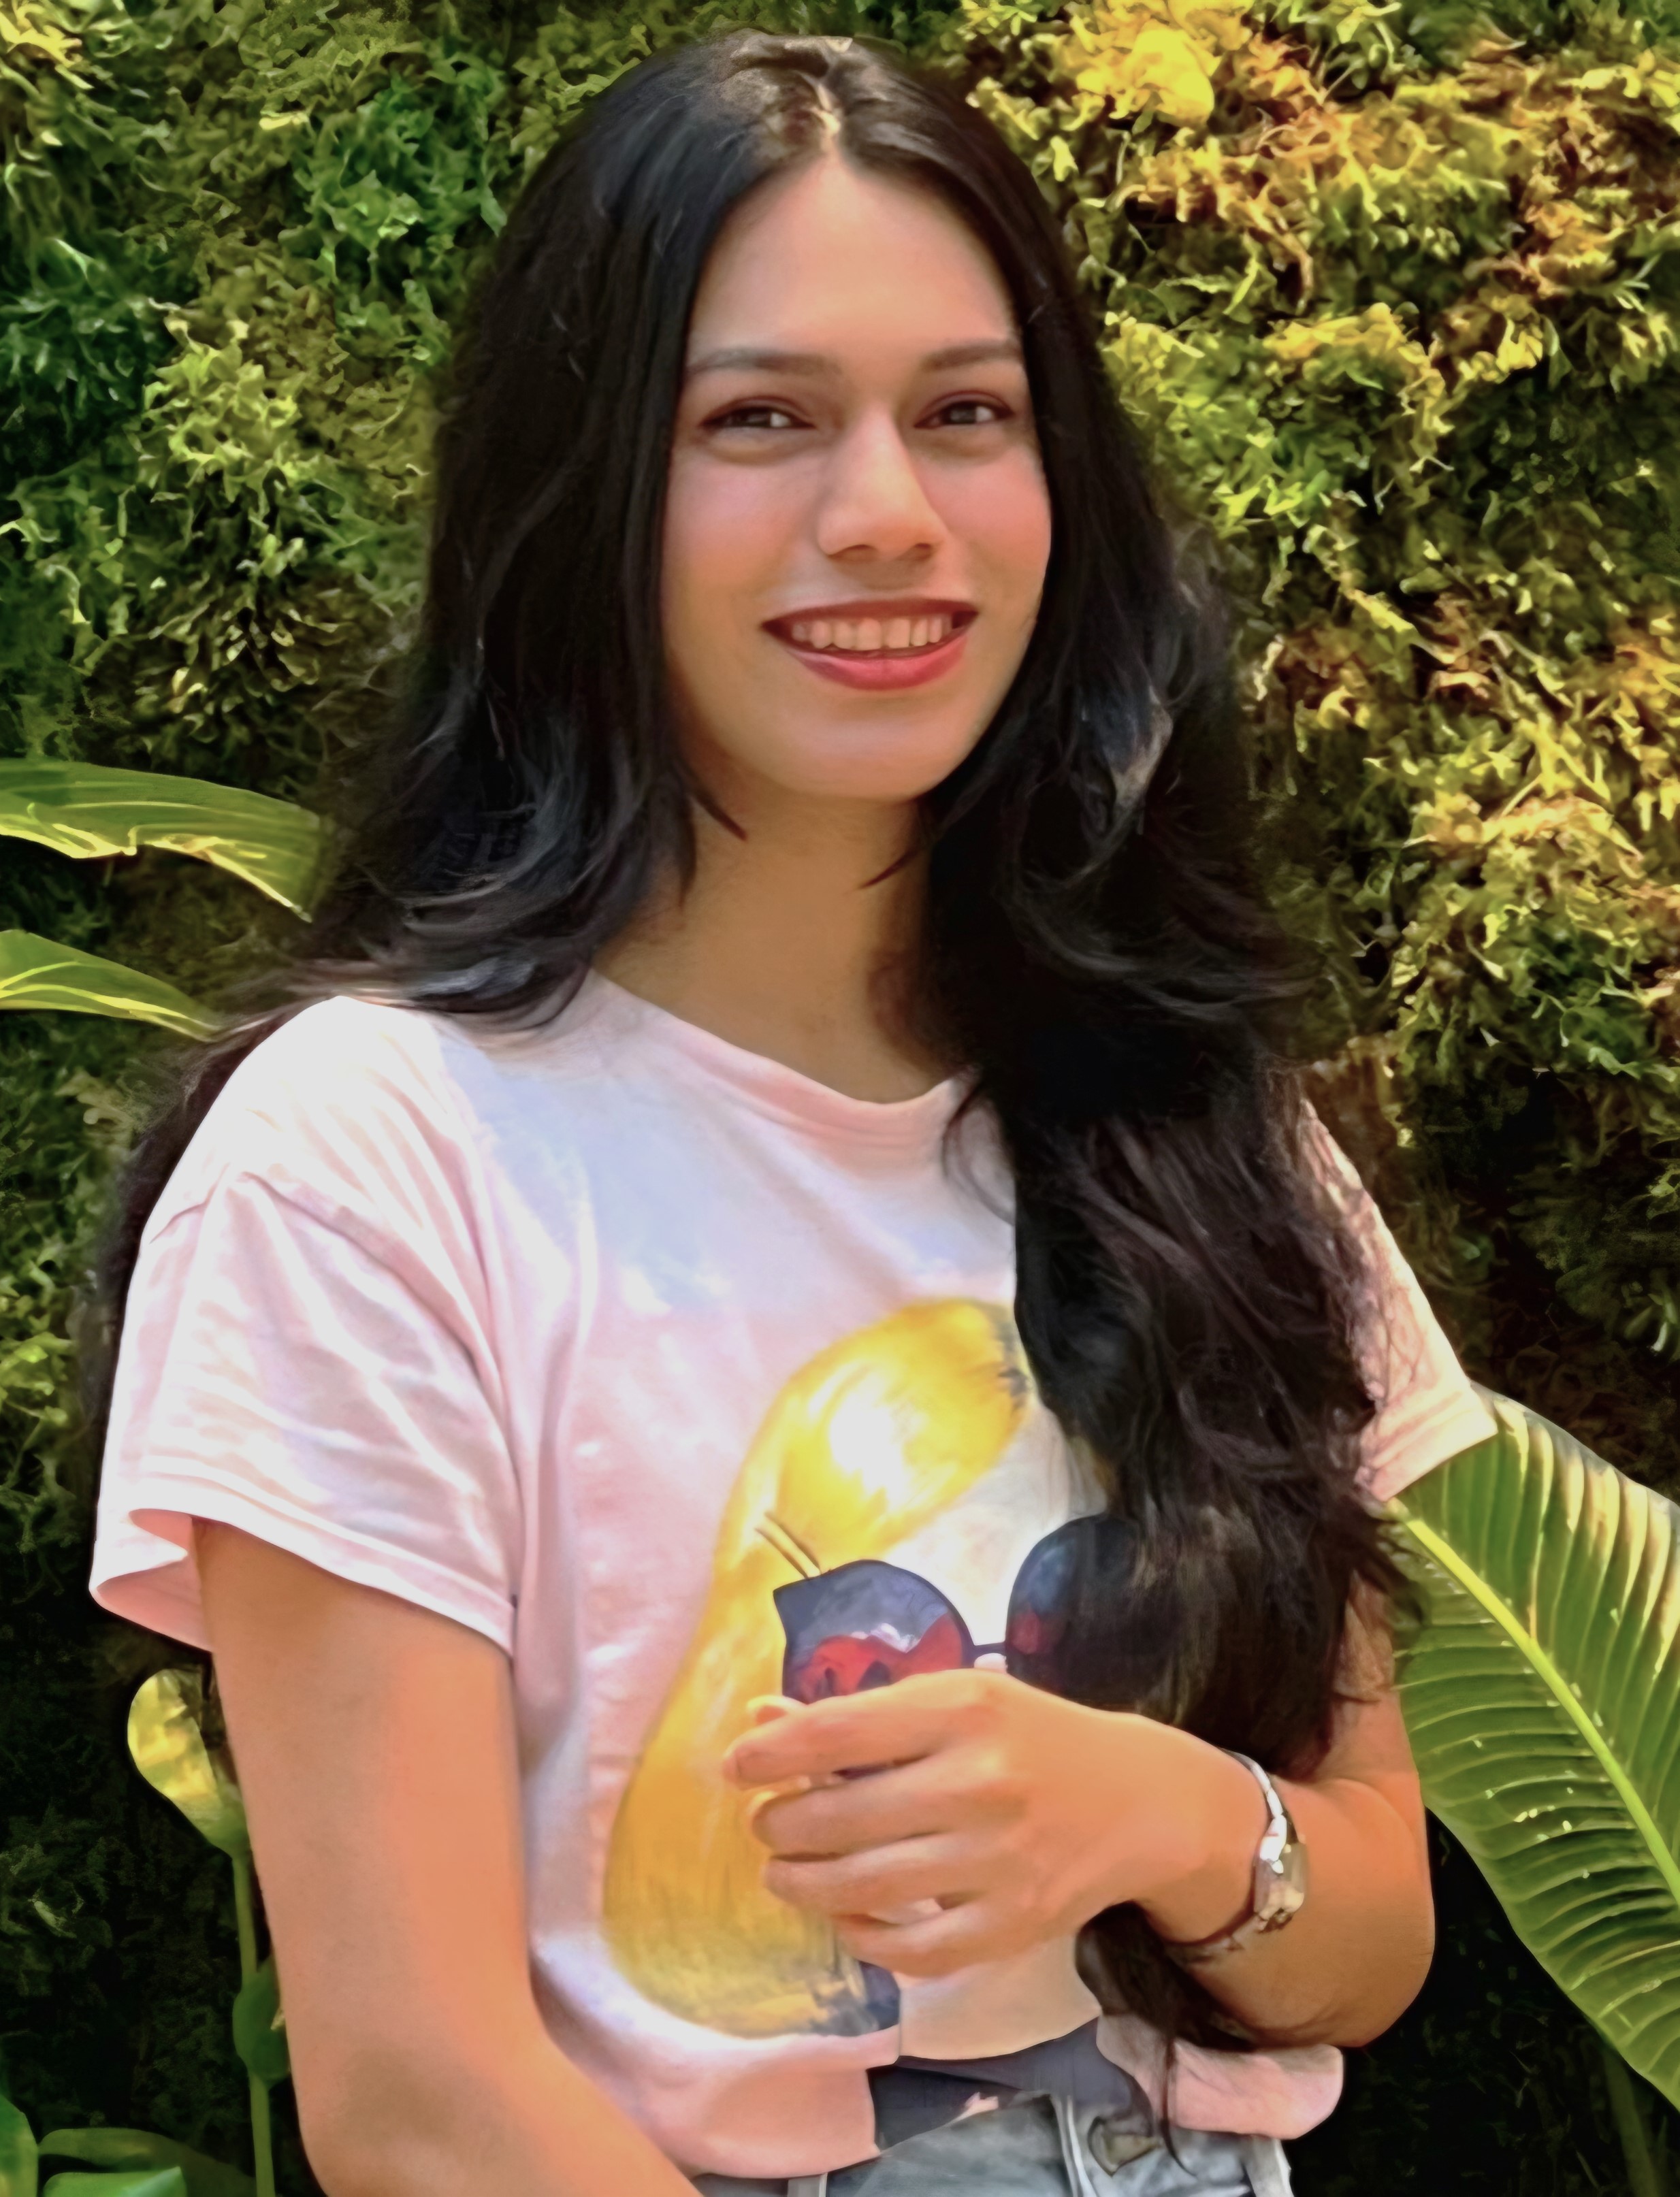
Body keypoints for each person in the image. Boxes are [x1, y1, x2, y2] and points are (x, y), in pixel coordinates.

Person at [88, 32, 1496, 2197]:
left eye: (966, 414)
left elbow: (1369, 1935)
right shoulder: (371, 1160)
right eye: (757, 419)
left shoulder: (1195, 1127)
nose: (883, 513)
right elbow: (426, 2099)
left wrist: (1156, 1812)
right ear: (580, 496)